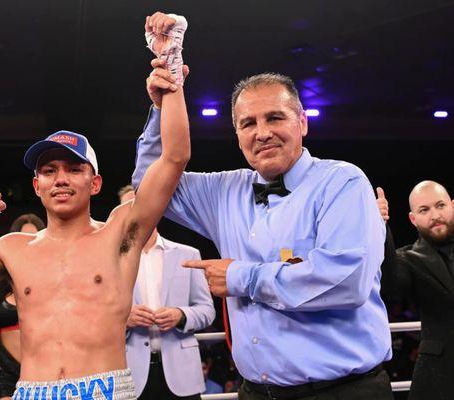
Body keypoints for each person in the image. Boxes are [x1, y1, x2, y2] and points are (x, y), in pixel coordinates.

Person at [0, 12, 190, 400]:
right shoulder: (12, 249)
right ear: (36, 184)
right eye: (49, 170)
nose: (61, 178)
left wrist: (171, 70)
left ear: (94, 183)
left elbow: (174, 158)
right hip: (32, 390)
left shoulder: (120, 232)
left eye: (74, 169)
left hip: (105, 389)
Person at [132, 13, 392, 400]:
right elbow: (149, 185)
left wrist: (241, 278)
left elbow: (346, 281)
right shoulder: (225, 190)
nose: (263, 132)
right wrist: (163, 103)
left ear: (302, 122)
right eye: (248, 123)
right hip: (256, 392)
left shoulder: (342, 181)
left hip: (342, 391)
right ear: (236, 134)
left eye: (275, 117)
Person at [118, 186, 215, 399]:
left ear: (157, 207)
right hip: (131, 374)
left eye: (142, 203)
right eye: (129, 206)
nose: (137, 211)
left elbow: (207, 310)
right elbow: (97, 315)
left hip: (183, 374)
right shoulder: (110, 260)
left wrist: (181, 315)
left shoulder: (188, 254)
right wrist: (123, 318)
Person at [379, 181, 454, 400]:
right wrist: (380, 226)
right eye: (424, 210)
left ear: (452, 206)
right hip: (440, 375)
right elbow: (390, 285)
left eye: (440, 206)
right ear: (413, 219)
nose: (435, 215)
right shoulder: (409, 259)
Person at [0, 213, 45, 400]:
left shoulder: (56, 282)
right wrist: (18, 370)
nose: (29, 244)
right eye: (23, 238)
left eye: (34, 238)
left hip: (48, 374)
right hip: (11, 375)